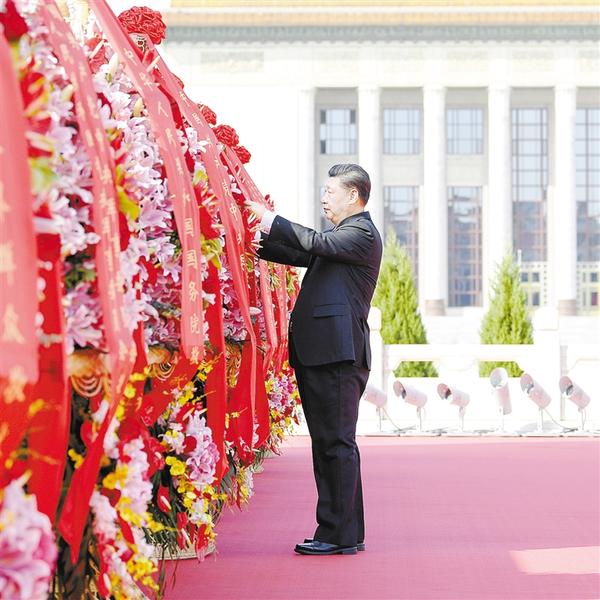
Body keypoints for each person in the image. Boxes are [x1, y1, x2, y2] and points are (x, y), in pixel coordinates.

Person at [245, 163, 382, 556]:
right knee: (330, 444)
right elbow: (302, 250)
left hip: (336, 356)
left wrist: (270, 219)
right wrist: (253, 241)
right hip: (326, 354)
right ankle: (344, 532)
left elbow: (314, 242)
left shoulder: (360, 233)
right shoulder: (341, 239)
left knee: (335, 444)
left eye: (330, 192)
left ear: (353, 196)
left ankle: (337, 534)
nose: (324, 198)